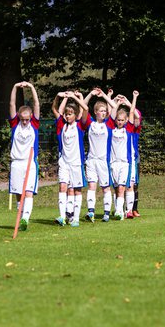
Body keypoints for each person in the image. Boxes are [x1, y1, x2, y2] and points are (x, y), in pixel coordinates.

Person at [52, 90, 89, 227]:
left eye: (70, 114)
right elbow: (55, 109)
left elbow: (85, 108)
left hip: (76, 163)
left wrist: (75, 97)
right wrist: (60, 97)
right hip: (64, 162)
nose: (67, 116)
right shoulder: (61, 125)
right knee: (63, 187)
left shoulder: (80, 125)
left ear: (75, 115)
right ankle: (62, 217)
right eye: (66, 114)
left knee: (77, 190)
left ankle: (75, 218)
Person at [9, 81, 40, 231]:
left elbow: (37, 105)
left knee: (28, 192)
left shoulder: (34, 124)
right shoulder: (15, 124)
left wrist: (31, 87)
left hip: (29, 163)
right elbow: (12, 104)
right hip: (16, 162)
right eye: (23, 119)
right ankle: (20, 216)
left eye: (27, 119)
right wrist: (15, 87)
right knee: (17, 193)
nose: (25, 121)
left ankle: (25, 219)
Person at [83, 87, 117, 222]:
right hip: (91, 160)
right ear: (96, 112)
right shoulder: (90, 123)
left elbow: (113, 106)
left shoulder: (108, 124)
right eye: (101, 111)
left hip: (103, 161)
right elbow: (83, 106)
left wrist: (103, 95)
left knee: (105, 187)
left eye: (105, 111)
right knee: (92, 185)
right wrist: (91, 93)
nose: (103, 113)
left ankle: (106, 213)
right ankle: (91, 212)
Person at [109, 90, 139, 220]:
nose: (120, 122)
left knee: (128, 185)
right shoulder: (111, 130)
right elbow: (110, 114)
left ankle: (127, 210)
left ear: (126, 120)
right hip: (113, 162)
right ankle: (118, 210)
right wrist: (112, 99)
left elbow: (133, 113)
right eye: (118, 120)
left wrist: (133, 98)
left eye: (122, 120)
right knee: (117, 188)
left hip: (127, 162)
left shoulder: (129, 130)